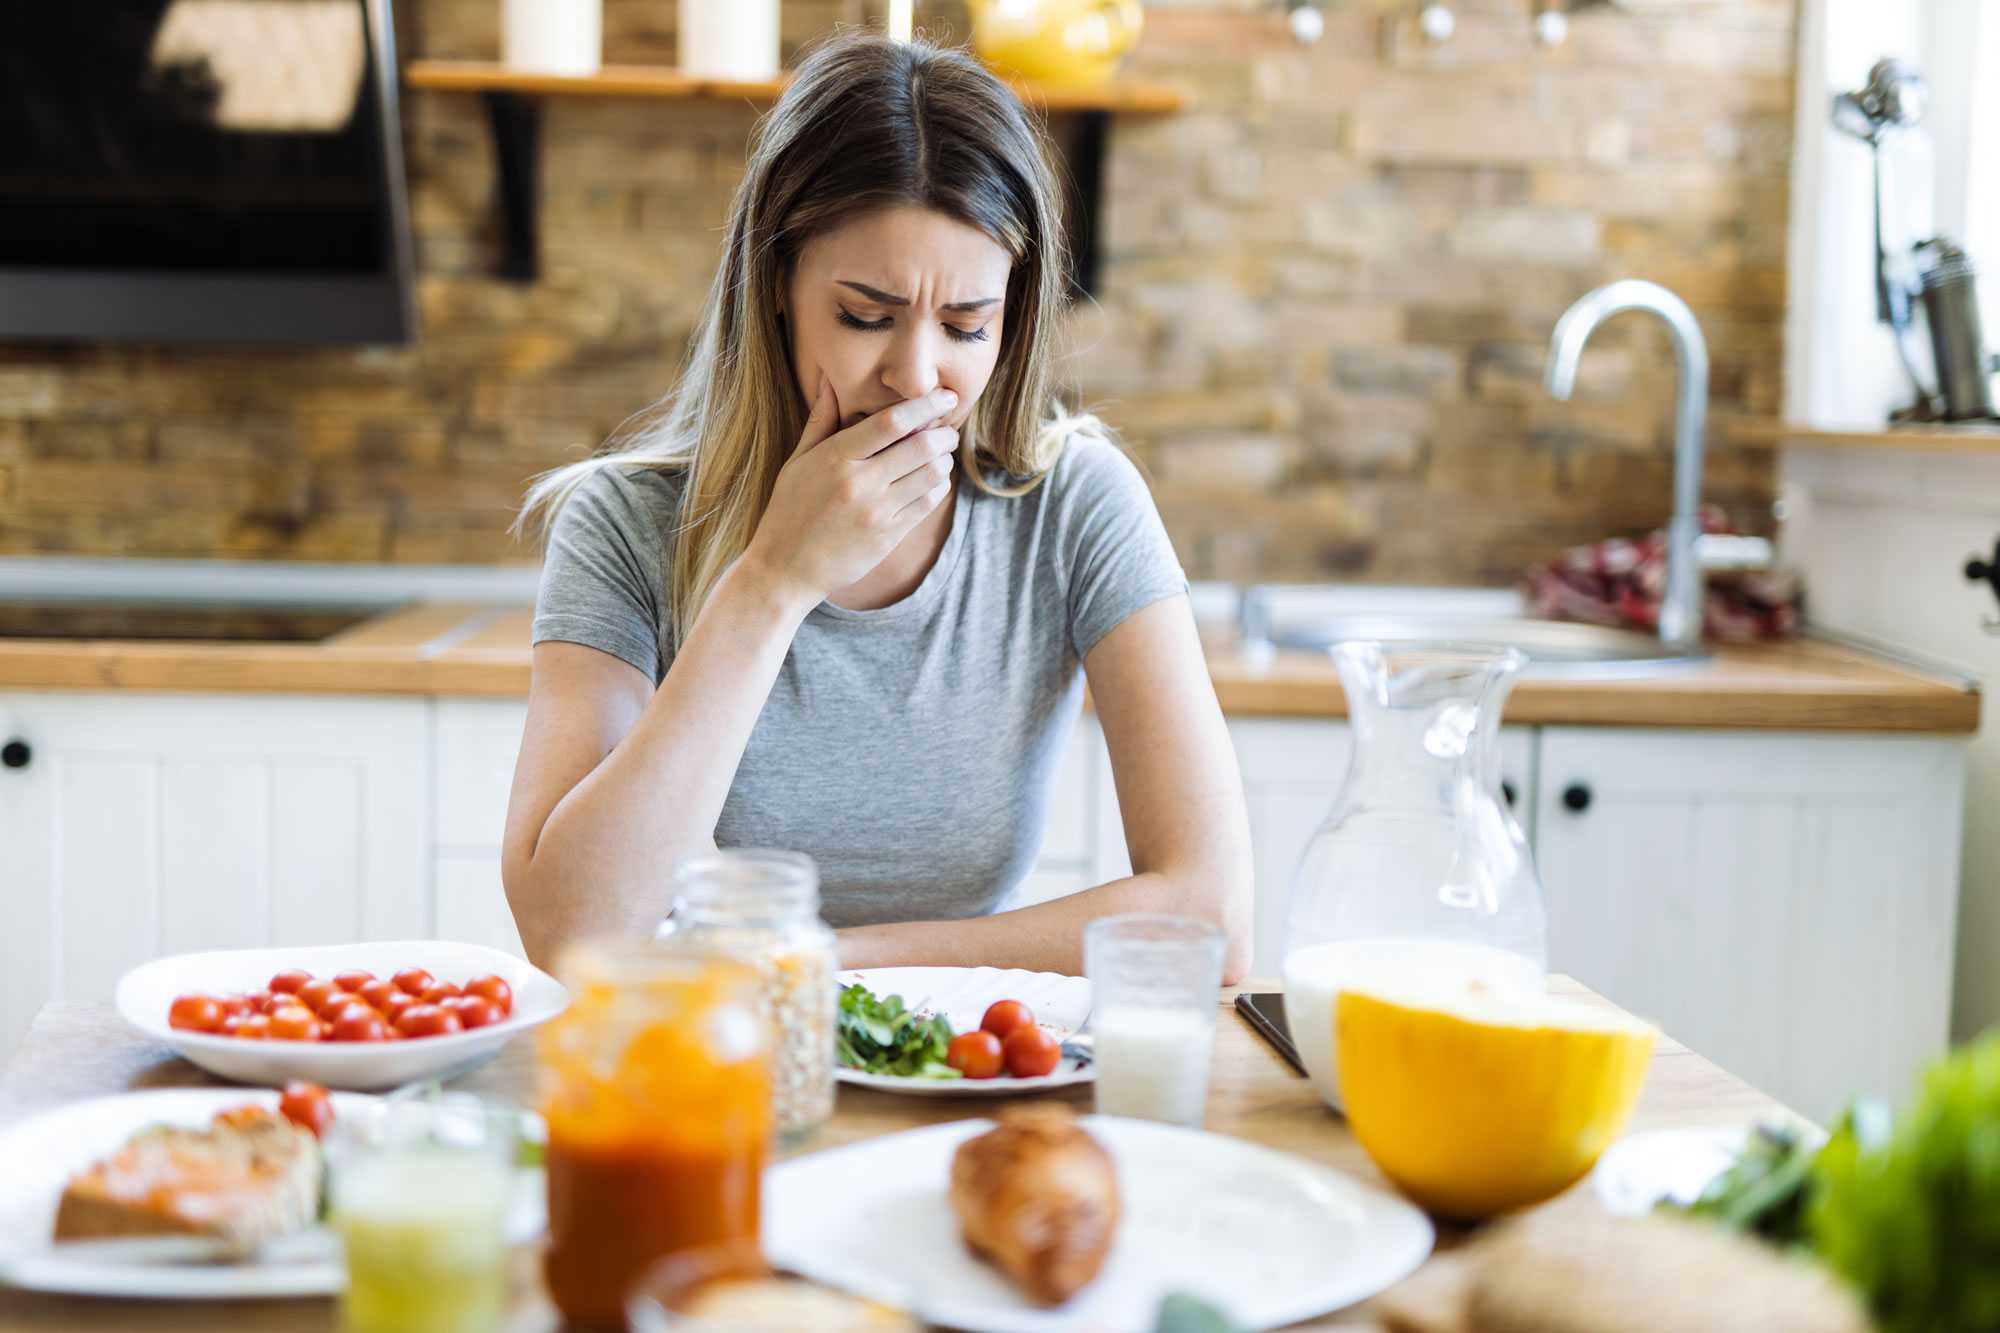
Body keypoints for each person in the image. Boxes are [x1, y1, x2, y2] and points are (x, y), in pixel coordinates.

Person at [504, 32, 1252, 980]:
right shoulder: (621, 523)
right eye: (866, 316)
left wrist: (821, 962)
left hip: (966, 1072)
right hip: (706, 1072)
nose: (915, 375)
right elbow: (571, 934)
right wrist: (772, 580)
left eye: (967, 326)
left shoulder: (1075, 507)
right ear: (777, 285)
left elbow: (1214, 917)